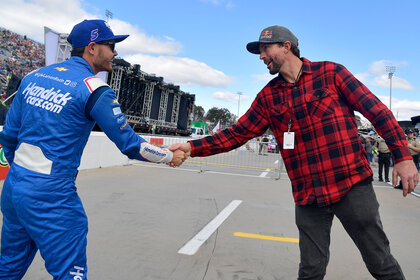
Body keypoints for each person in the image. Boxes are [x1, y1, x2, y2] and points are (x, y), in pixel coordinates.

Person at [170, 25, 419, 279]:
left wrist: (403, 157)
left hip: (351, 186)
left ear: (286, 47)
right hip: (308, 195)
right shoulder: (268, 96)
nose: (261, 56)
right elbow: (238, 133)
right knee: (310, 271)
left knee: (380, 263)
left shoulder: (331, 73)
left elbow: (376, 110)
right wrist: (192, 147)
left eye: (265, 49)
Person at [0, 19, 185, 279]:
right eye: (111, 46)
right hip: (52, 196)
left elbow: (8, 137)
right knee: (70, 273)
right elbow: (131, 145)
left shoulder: (33, 77)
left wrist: (22, 174)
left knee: (8, 266)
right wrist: (169, 155)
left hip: (14, 189)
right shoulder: (94, 89)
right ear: (92, 47)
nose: (116, 53)